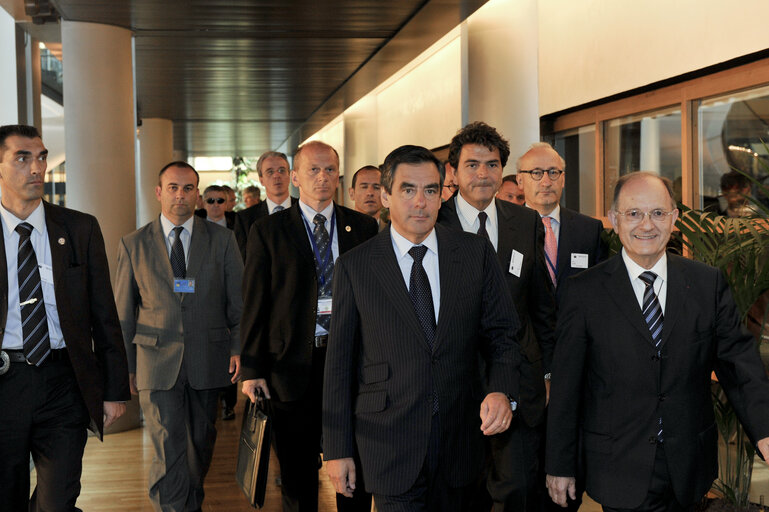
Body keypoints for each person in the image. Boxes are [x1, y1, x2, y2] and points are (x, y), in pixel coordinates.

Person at [545, 172, 769, 511]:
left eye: (658, 213)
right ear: (614, 219)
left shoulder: (705, 283)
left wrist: (765, 430)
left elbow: (740, 365)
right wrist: (560, 465)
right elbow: (567, 386)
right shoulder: (583, 292)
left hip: (690, 463)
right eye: (633, 213)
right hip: (618, 465)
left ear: (675, 218)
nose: (646, 225)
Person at [323, 144, 521, 512]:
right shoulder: (356, 266)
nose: (421, 202)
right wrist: (336, 450)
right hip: (388, 442)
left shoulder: (474, 253)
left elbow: (503, 335)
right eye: (408, 190)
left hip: (462, 441)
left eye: (431, 190)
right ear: (385, 195)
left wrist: (501, 390)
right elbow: (339, 365)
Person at [240, 140, 378, 512]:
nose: (322, 177)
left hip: (351, 365)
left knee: (354, 471)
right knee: (298, 478)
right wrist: (252, 369)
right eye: (313, 170)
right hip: (291, 368)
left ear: (338, 176)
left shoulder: (363, 227)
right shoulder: (268, 231)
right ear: (296, 177)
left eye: (330, 170)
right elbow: (255, 303)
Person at [0, 124, 130, 510]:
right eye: (22, 158)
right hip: (5, 384)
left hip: (64, 383)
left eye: (41, 157)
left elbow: (104, 312)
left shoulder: (78, 228)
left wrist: (114, 388)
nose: (36, 167)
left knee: (59, 500)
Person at [438, 121, 556, 512]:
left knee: (519, 488)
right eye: (472, 165)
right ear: (452, 173)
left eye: (492, 165)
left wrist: (549, 371)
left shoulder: (524, 222)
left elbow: (541, 305)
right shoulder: (433, 224)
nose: (483, 174)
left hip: (520, 377)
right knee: (464, 490)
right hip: (456, 380)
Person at [115, 161, 243, 512]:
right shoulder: (133, 245)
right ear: (158, 192)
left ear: (198, 195)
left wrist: (238, 348)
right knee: (166, 444)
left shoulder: (223, 240)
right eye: (173, 187)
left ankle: (189, 502)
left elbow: (239, 304)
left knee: (200, 444)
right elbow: (123, 315)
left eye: (188, 188)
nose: (180, 195)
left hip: (208, 358)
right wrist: (123, 367)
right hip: (156, 362)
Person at [517, 142, 606, 301]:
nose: (546, 182)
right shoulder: (507, 229)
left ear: (563, 179)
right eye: (536, 173)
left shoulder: (589, 230)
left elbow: (600, 288)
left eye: (553, 172)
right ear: (520, 181)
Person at [233, 151, 296, 260]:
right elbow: (243, 261)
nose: (277, 175)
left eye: (281, 170)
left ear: (289, 175)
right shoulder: (245, 219)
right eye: (270, 172)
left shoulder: (305, 209)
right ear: (261, 180)